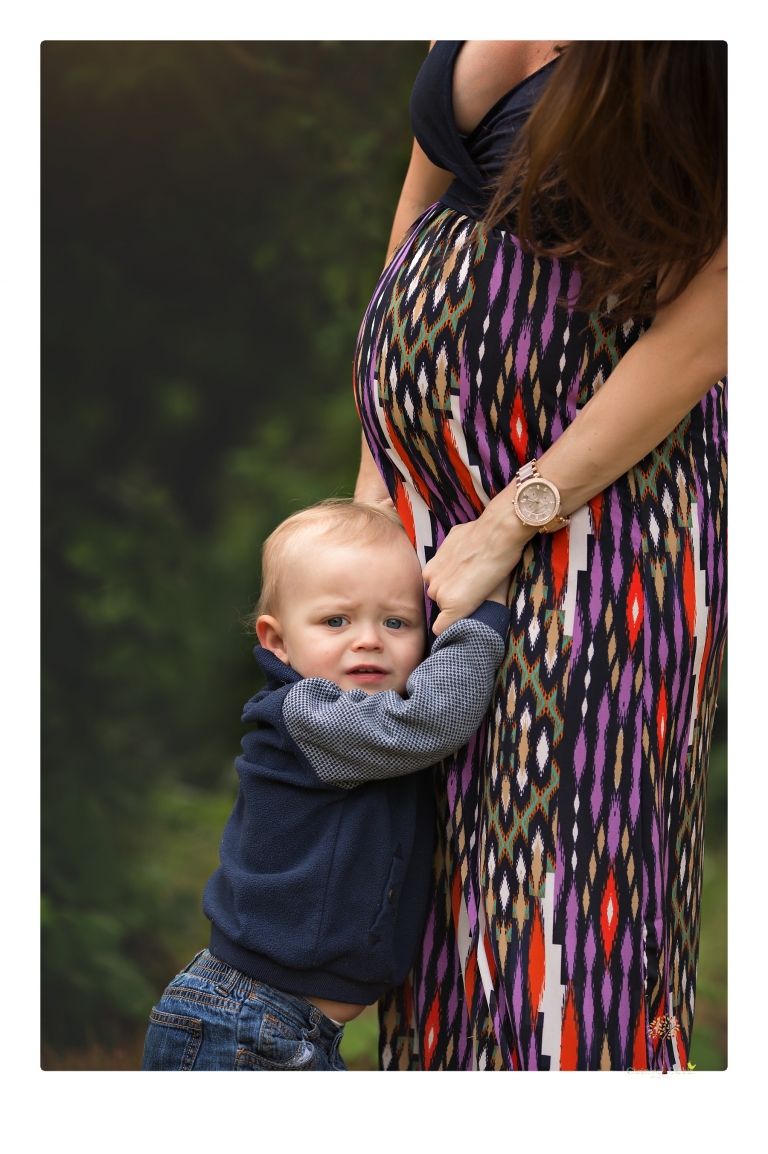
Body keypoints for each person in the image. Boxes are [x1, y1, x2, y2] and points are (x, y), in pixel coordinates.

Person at [353, 41, 726, 1071]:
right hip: (429, 503)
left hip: (598, 512)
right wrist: (375, 471)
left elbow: (721, 312)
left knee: (563, 905)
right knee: (432, 900)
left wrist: (517, 516)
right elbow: (416, 215)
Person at [140, 500, 511, 1070]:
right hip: (242, 1024)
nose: (368, 640)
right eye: (336, 621)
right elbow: (436, 718)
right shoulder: (307, 715)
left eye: (397, 622)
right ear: (278, 641)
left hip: (284, 1029)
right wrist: (481, 616)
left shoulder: (363, 723)